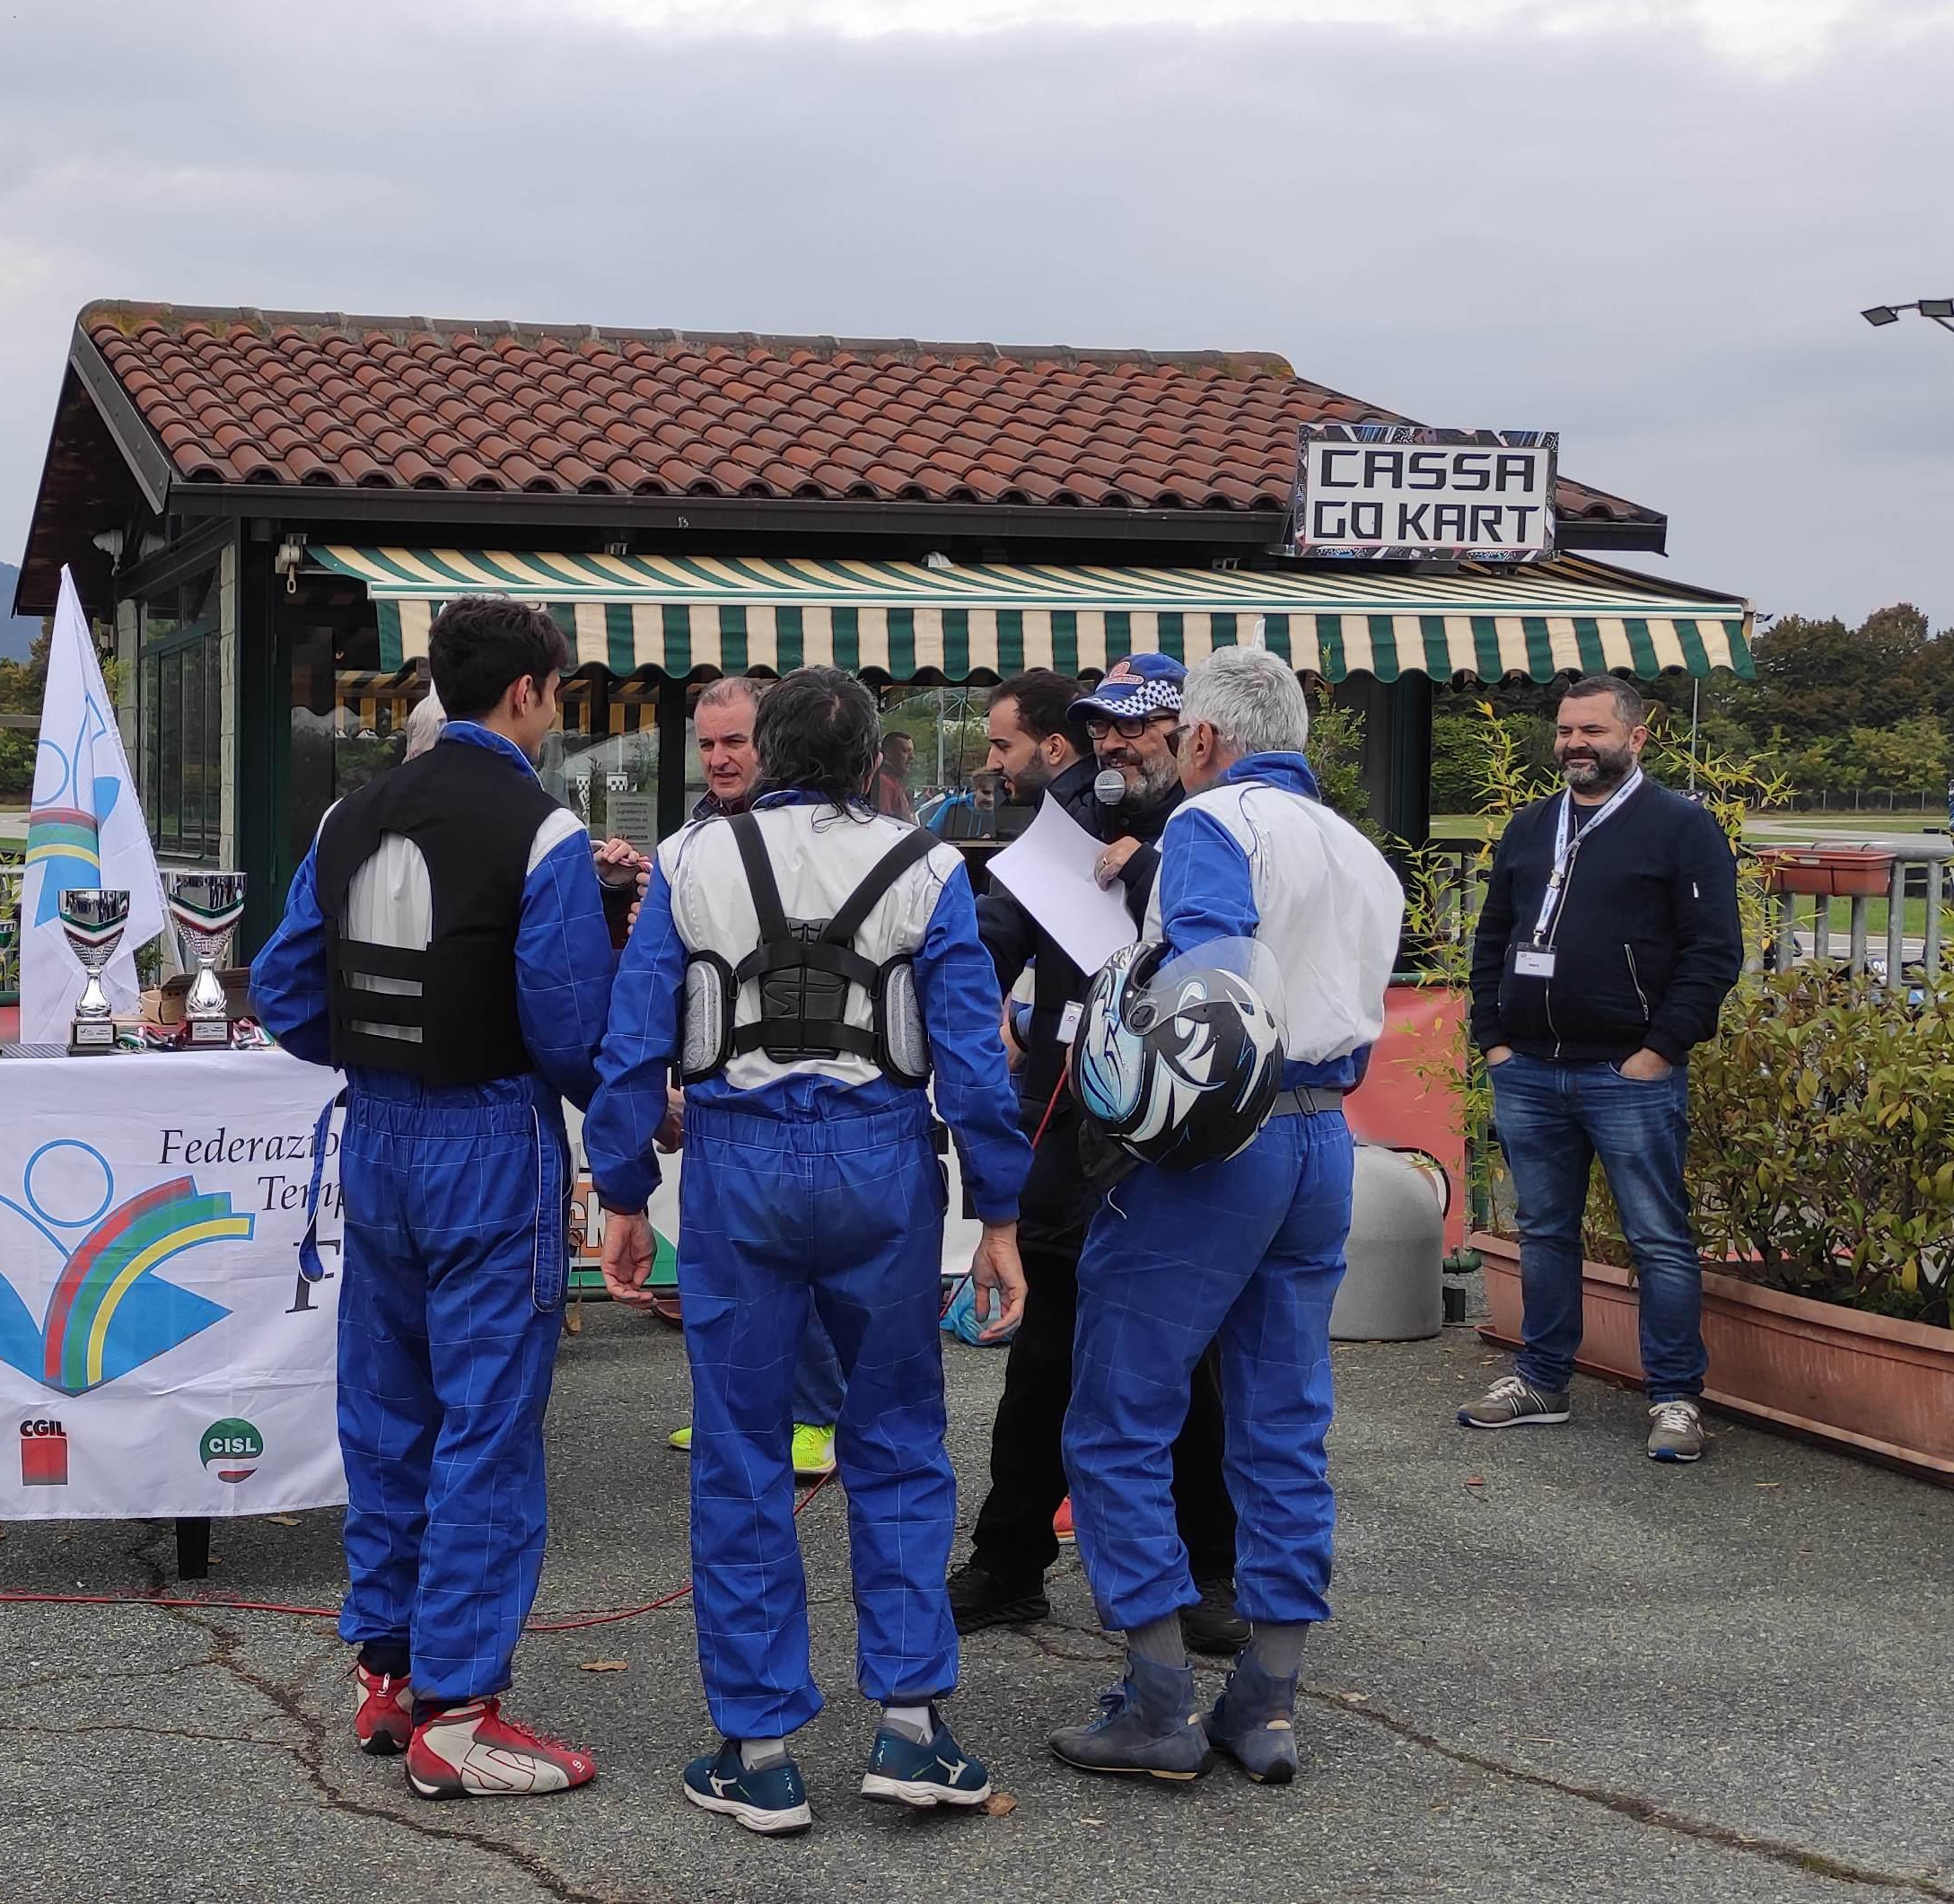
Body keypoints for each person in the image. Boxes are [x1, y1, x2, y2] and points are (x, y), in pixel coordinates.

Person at [590, 666, 1032, 1836]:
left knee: (741, 1449)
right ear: (872, 762)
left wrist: (624, 1189)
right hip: (880, 1163)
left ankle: (759, 1749)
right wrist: (999, 1214)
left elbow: (633, 1040)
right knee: (898, 1438)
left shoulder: (688, 861)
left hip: (735, 1170)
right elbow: (972, 1059)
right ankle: (911, 1726)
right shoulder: (929, 867)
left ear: (769, 756)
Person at [252, 594, 616, 1802]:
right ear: (527, 691)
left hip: (379, 1136)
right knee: (486, 1427)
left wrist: (376, 1050)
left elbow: (284, 990)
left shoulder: (348, 814)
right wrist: (635, 1124)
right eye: (555, 692)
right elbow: (570, 1030)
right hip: (489, 1136)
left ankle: (390, 1672)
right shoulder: (546, 831)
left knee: (387, 1412)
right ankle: (459, 1714)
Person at [1046, 646, 1398, 1787]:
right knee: (1283, 1415)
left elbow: (1209, 995)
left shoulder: (1211, 821)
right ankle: (1268, 1700)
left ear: (1201, 739)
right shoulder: (1357, 850)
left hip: (1222, 1141)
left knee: (1119, 1410)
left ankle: (1157, 1699)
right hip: (1323, 1137)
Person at [948, 663, 1245, 1656]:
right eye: (1101, 729)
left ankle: (1210, 1569)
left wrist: (1151, 872)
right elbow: (997, 930)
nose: (1116, 746)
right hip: (1066, 1119)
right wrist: (952, 982)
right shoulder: (1065, 819)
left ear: (1188, 732)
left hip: (1178, 1127)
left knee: (1188, 1360)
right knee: (1042, 1357)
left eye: (1136, 728)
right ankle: (1008, 1563)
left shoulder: (1217, 824)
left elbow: (1242, 951)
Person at [1454, 675, 1747, 1462]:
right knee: (1544, 1231)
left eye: (1592, 731)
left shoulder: (1681, 827)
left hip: (1628, 1075)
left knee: (1658, 1238)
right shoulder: (1530, 826)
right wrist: (1494, 1040)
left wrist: (1659, 1052)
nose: (1575, 744)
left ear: (1636, 737)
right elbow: (1492, 938)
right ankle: (1542, 1379)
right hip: (1528, 1069)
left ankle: (1676, 1397)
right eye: (1564, 731)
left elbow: (1714, 952)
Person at [600, 675, 849, 1477]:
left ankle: (814, 1417)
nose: (718, 758)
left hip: (816, 1089)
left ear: (772, 741)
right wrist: (631, 905)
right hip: (718, 1086)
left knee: (796, 1268)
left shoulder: (829, 832)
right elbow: (659, 985)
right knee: (728, 1280)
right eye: (706, 744)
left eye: (734, 741)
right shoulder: (695, 838)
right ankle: (738, 1413)